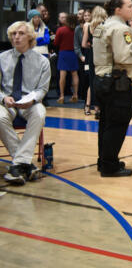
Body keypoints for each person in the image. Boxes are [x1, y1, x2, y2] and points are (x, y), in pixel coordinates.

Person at [93, 0, 132, 177]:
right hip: (117, 82)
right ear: (118, 9)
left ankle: (105, 160)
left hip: (101, 80)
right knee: (116, 125)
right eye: (130, 6)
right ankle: (110, 165)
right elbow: (124, 57)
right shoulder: (121, 29)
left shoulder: (102, 26)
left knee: (106, 124)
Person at [0, 21, 50, 185]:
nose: (16, 37)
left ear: (30, 37)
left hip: (29, 102)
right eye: (13, 34)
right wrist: (3, 98)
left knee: (40, 112)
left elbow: (42, 89)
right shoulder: (2, 58)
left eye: (20, 33)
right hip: (6, 101)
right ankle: (24, 163)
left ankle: (17, 165)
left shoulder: (42, 61)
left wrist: (33, 100)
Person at [82, 6, 107, 117]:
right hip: (102, 55)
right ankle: (101, 108)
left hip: (91, 55)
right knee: (102, 81)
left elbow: (83, 44)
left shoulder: (88, 26)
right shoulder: (105, 26)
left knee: (92, 82)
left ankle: (95, 108)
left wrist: (91, 44)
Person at [54, 13, 79, 104]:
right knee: (75, 74)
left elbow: (56, 43)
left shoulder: (61, 30)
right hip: (74, 53)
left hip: (63, 53)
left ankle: (61, 96)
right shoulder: (77, 30)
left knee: (62, 75)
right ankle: (75, 95)